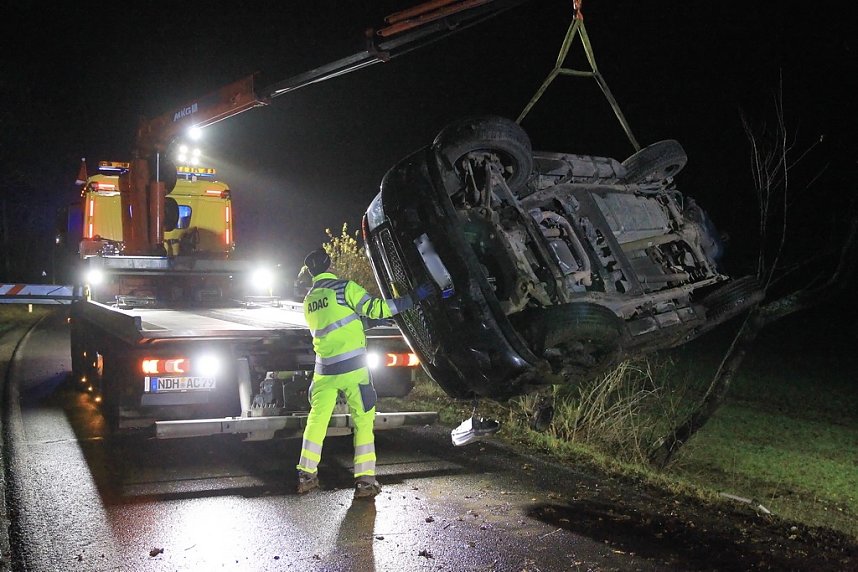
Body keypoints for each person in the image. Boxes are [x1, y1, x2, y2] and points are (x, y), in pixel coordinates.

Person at [296, 248, 433, 498]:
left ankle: (306, 475)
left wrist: (365, 322)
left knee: (316, 422)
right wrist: (414, 298)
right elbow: (378, 308)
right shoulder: (343, 287)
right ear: (330, 265)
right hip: (353, 368)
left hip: (324, 371)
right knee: (363, 421)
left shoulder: (309, 300)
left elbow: (338, 323)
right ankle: (365, 482)